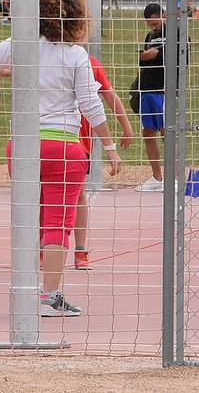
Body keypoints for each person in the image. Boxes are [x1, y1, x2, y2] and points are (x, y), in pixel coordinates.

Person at [0, 0, 121, 316]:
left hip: (21, 147)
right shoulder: (76, 55)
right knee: (58, 222)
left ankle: (28, 288)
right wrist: (109, 146)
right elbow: (91, 106)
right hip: (63, 147)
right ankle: (49, 295)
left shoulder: (22, 45)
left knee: (30, 218)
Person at [72, 53, 134, 270]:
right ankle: (43, 247)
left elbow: (109, 96)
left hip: (78, 142)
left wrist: (126, 126)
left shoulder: (89, 63)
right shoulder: (40, 57)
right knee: (43, 195)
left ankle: (80, 250)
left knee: (78, 194)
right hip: (46, 137)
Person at [136, 3, 167, 192]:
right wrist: (145, 56)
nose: (153, 27)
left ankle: (176, 178)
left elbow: (182, 58)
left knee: (167, 131)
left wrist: (157, 54)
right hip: (147, 89)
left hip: (164, 89)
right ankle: (157, 177)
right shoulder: (150, 36)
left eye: (155, 23)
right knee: (148, 132)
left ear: (163, 15)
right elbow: (145, 57)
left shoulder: (175, 32)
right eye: (150, 24)